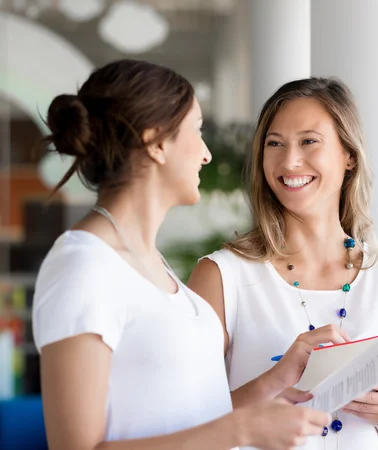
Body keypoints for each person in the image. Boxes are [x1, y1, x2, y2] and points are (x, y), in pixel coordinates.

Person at [32, 59, 331, 450]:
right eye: (197, 130)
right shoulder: (83, 266)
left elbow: (190, 421)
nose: (207, 154)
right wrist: (242, 431)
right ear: (156, 142)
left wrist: (272, 384)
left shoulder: (150, 263)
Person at [188, 77, 378, 449]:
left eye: (309, 141)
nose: (289, 161)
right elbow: (188, 424)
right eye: (274, 144)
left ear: (349, 154)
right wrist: (273, 381)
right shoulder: (221, 277)